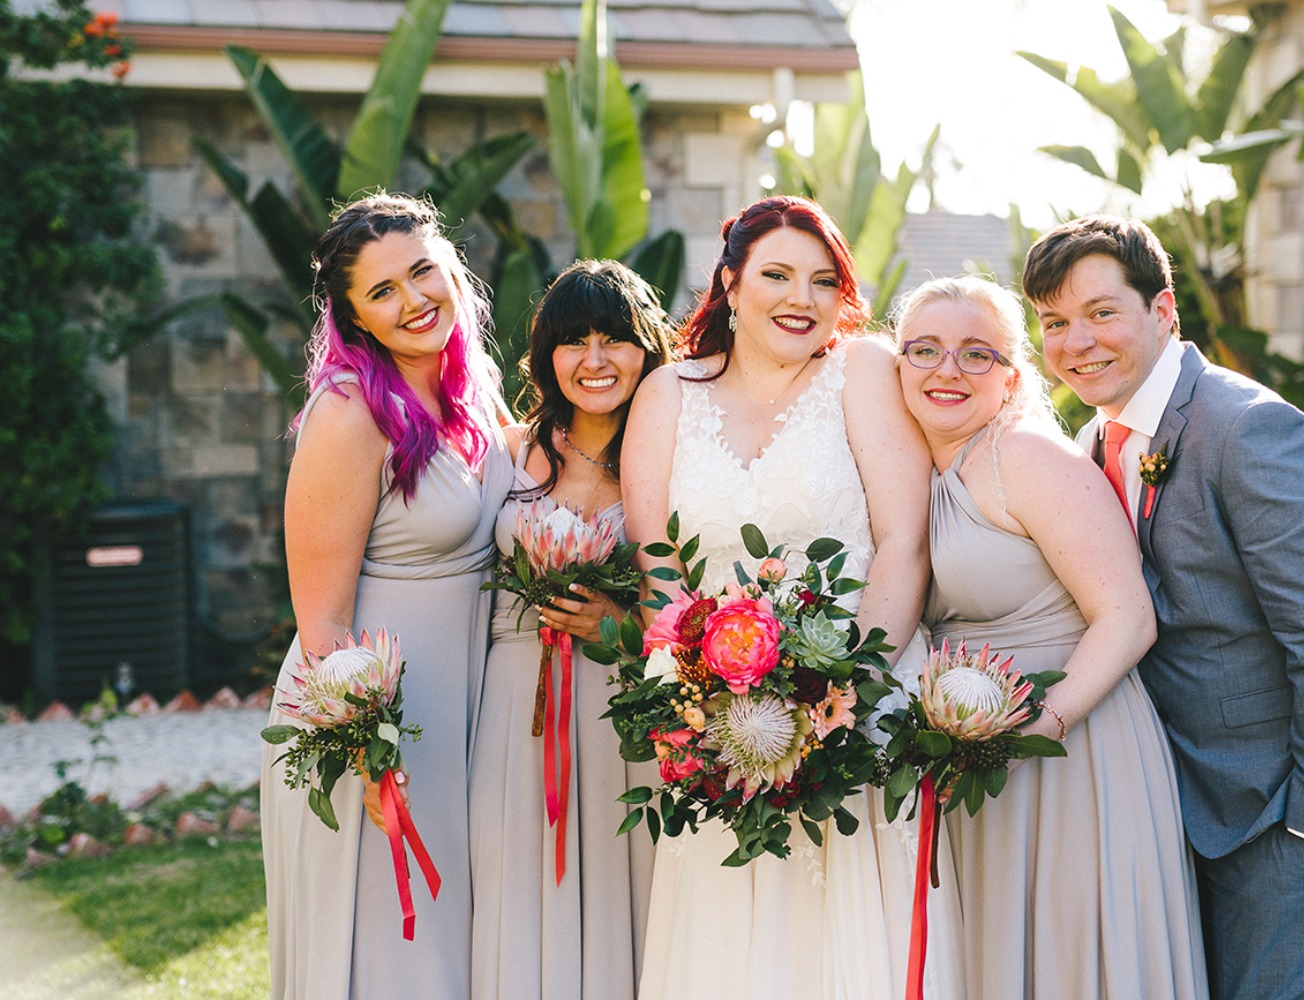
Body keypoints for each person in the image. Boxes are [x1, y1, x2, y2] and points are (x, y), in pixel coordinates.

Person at [1023, 215, 1304, 1000]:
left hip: (1275, 809)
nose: (1075, 341)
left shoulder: (1248, 429)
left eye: (1100, 312)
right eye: (1054, 322)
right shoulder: (1093, 440)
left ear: (1162, 311)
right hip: (1172, 804)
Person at [621, 195, 963, 1000]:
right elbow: (658, 576)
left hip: (855, 704)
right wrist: (696, 707)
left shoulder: (862, 370)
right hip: (715, 723)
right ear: (731, 286)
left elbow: (901, 546)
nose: (799, 299)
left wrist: (840, 690)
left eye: (821, 281)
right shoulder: (667, 393)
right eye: (776, 274)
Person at [896, 275, 1208, 999]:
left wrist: (1044, 723)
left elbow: (1127, 616)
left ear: (1010, 376)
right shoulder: (921, 466)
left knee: (1071, 961)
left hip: (1071, 746)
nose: (948, 370)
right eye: (925, 350)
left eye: (977, 354)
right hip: (976, 750)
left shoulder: (1024, 456)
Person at [260, 193, 513, 998]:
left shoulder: (472, 391)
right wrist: (370, 754)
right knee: (392, 954)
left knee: (449, 949)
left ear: (450, 270)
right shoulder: (348, 411)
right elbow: (322, 619)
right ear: (354, 318)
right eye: (383, 292)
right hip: (378, 728)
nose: (413, 302)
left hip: (462, 711)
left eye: (422, 272)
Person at [468, 258, 673, 999]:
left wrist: (621, 626)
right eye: (573, 341)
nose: (594, 361)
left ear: (646, 349)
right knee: (513, 883)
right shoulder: (507, 452)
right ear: (546, 356)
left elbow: (688, 604)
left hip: (623, 712)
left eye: (614, 339)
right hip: (511, 706)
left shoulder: (667, 462)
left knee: (630, 883)